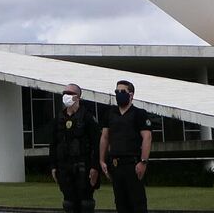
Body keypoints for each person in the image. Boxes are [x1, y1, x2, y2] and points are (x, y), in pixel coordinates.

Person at [97, 79, 153, 213]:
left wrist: (143, 161)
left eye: (123, 91)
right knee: (120, 203)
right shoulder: (110, 113)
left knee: (137, 203)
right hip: (115, 164)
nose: (119, 94)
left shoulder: (139, 113)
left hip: (132, 164)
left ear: (131, 95)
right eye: (117, 91)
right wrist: (102, 160)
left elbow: (147, 137)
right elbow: (105, 137)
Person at [44, 83, 100, 213]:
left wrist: (95, 166)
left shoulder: (87, 117)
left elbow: (97, 143)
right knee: (68, 203)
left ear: (78, 97)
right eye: (64, 93)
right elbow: (53, 143)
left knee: (86, 203)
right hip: (64, 167)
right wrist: (53, 166)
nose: (66, 96)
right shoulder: (59, 118)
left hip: (83, 166)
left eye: (69, 94)